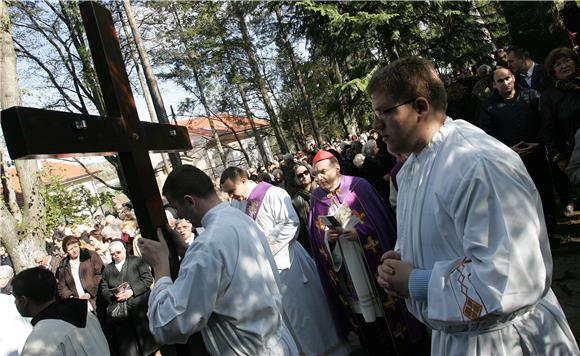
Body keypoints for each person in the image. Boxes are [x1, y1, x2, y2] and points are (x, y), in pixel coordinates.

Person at [369, 56, 579, 355]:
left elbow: (511, 275)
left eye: (384, 113)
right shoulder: (414, 168)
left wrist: (416, 281)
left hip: (506, 340)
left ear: (420, 107)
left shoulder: (475, 164)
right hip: (458, 338)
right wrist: (402, 259)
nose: (377, 125)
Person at [139, 165, 297, 355]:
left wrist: (161, 268)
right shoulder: (239, 217)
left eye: (176, 208)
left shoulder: (207, 245)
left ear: (189, 201)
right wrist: (186, 251)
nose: (179, 216)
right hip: (277, 342)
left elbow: (171, 324)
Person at [220, 167, 350, 356]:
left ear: (243, 180)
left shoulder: (273, 193)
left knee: (305, 311)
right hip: (264, 271)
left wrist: (263, 247)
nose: (231, 196)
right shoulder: (237, 205)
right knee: (287, 318)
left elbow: (290, 224)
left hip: (289, 263)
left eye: (232, 190)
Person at [308, 150, 426, 355]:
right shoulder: (316, 199)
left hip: (369, 262)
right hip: (346, 270)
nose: (319, 177)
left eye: (323, 171)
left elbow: (382, 224)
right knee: (367, 324)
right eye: (316, 174)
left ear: (337, 168)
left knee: (389, 318)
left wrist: (360, 233)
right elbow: (317, 239)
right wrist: (329, 240)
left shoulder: (358, 186)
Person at [479, 67, 556, 236]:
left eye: (507, 78)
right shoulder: (488, 107)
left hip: (537, 156)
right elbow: (487, 135)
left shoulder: (532, 96)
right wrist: (507, 150)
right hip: (510, 163)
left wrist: (538, 142)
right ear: (494, 84)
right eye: (500, 81)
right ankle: (532, 234)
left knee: (545, 194)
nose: (505, 83)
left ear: (513, 78)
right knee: (520, 199)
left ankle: (551, 230)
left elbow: (547, 122)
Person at [12, 267, 110, 355]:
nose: (15, 302)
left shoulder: (39, 341)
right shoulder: (86, 314)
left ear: (23, 301)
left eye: (16, 299)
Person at [540, 47, 580, 213]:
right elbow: (549, 130)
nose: (564, 66)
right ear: (553, 70)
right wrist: (559, 157)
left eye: (567, 60)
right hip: (574, 153)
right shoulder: (550, 96)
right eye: (558, 64)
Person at [100, 240, 157, 356]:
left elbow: (147, 279)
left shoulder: (136, 261)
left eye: (118, 252)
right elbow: (104, 289)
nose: (115, 256)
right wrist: (114, 295)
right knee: (130, 349)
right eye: (112, 254)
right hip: (121, 314)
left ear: (124, 250)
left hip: (140, 308)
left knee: (150, 346)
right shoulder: (107, 270)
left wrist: (132, 291)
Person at [56, 235, 104, 312]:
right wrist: (70, 297)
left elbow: (100, 274)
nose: (74, 250)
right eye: (70, 249)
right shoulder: (64, 264)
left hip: (95, 300)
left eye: (75, 247)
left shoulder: (90, 255)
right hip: (77, 304)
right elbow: (62, 284)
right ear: (66, 251)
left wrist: (90, 293)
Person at [291, 162, 317, 256]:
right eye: (300, 175)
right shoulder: (296, 200)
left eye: (306, 172)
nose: (304, 176)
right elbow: (301, 229)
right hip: (313, 241)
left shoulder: (321, 190)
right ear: (297, 179)